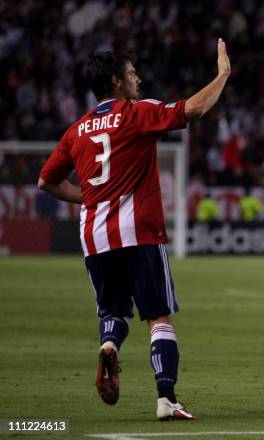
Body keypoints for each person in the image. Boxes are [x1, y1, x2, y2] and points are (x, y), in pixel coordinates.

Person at [38, 39, 231, 420]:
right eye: (131, 73)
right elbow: (194, 109)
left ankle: (109, 345)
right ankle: (166, 400)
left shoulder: (76, 131)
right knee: (158, 317)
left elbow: (46, 181)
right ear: (116, 81)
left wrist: (90, 197)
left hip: (94, 233)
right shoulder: (135, 113)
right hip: (138, 231)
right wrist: (223, 74)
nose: (137, 79)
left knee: (114, 312)